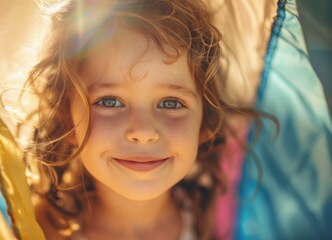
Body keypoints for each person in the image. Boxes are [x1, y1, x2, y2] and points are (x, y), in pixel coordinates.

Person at [23, 0, 254, 239]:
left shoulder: (225, 221)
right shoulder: (38, 230)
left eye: (171, 103)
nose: (143, 131)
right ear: (67, 121)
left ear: (205, 123)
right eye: (110, 102)